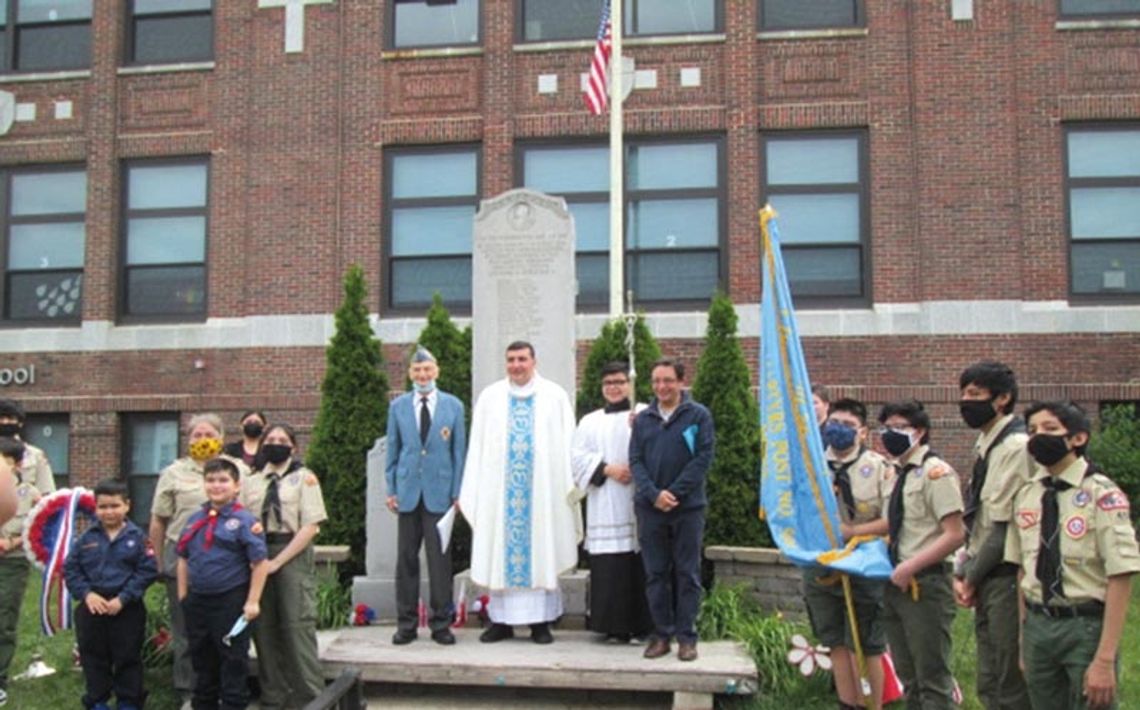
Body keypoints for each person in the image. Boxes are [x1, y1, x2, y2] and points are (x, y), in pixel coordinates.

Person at [1005, 401, 1139, 710]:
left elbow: (1120, 574)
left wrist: (1104, 659)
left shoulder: (1102, 495)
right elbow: (1024, 570)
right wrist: (1025, 641)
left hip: (1085, 625)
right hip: (1039, 624)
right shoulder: (1027, 494)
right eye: (1033, 431)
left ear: (1078, 438)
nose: (1039, 437)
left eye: (1050, 429)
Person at [459, 341, 579, 644]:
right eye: (511, 359)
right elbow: (479, 448)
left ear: (533, 361)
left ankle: (541, 623)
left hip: (541, 494)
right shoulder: (490, 398)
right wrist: (474, 488)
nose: (516, 365)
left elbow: (567, 446)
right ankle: (501, 622)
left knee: (541, 547)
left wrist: (567, 484)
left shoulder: (554, 396)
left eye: (522, 359)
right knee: (501, 550)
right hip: (500, 495)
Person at [149, 413, 246, 704]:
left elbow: (250, 515)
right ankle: (190, 692)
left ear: (221, 437)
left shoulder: (239, 470)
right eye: (196, 435)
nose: (202, 441)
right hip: (184, 561)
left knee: (227, 633)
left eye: (208, 435)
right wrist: (157, 560)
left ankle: (226, 691)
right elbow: (158, 520)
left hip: (229, 562)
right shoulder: (173, 473)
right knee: (188, 631)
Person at [953, 362, 1032, 710]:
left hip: (1003, 574)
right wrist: (964, 569)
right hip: (982, 572)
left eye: (974, 394)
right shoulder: (987, 443)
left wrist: (969, 578)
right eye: (963, 393)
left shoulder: (1016, 446)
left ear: (1002, 399)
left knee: (1008, 675)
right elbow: (978, 518)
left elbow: (1002, 527)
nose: (965, 401)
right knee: (987, 676)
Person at [806, 397, 893, 710]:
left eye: (848, 426)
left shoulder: (879, 467)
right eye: (834, 423)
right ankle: (848, 703)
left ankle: (872, 703)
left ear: (863, 432)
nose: (839, 430)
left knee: (868, 641)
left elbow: (892, 518)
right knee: (835, 640)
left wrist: (854, 533)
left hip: (865, 564)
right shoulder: (811, 466)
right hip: (822, 563)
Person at [877, 400, 965, 710]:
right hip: (895, 581)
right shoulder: (895, 473)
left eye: (900, 427)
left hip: (925, 583)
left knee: (932, 677)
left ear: (921, 431)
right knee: (908, 676)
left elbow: (955, 533)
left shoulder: (935, 473)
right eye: (886, 428)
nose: (891, 434)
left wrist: (911, 566)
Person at [629, 359, 714, 662]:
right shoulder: (643, 419)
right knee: (655, 573)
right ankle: (661, 634)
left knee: (687, 572)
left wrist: (674, 493)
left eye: (667, 380)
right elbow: (635, 460)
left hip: (687, 508)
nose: (661, 387)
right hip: (650, 509)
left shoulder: (698, 416)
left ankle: (686, 637)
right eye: (656, 381)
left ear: (681, 382)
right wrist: (653, 495)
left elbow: (703, 458)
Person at [240, 424, 327, 707]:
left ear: (293, 447)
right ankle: (273, 697)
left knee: (296, 626)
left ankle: (310, 698)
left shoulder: (304, 479)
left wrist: (278, 561)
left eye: (282, 440)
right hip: (257, 553)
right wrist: (260, 560)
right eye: (271, 439)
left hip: (291, 553)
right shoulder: (251, 481)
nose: (276, 443)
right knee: (263, 628)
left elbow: (311, 527)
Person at [386, 347, 467, 646]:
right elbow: (393, 451)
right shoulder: (397, 407)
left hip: (440, 493)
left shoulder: (453, 406)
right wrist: (391, 488)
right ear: (410, 373)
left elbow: (459, 452)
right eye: (417, 371)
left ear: (437, 371)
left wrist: (458, 492)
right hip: (408, 493)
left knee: (439, 562)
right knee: (406, 560)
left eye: (427, 370)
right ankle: (406, 624)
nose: (422, 375)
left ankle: (441, 623)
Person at [177, 458, 268, 710]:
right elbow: (183, 557)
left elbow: (260, 563)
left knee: (232, 661)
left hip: (230, 600)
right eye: (211, 480)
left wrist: (252, 601)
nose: (216, 486)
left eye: (223, 480)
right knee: (202, 660)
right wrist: (184, 595)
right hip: (198, 600)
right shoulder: (195, 519)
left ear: (237, 486)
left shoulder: (244, 521)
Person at [571, 361, 652, 643]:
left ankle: (644, 626)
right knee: (610, 566)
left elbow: (660, 445)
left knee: (639, 562)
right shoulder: (590, 420)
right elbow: (577, 457)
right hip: (605, 500)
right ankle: (613, 626)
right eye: (608, 383)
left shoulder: (643, 413)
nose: (614, 387)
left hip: (637, 499)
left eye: (619, 382)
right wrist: (607, 469)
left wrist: (636, 467)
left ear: (629, 384)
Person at [64, 479, 159, 710]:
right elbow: (71, 569)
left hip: (126, 607)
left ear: (127, 505)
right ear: (95, 508)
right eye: (103, 507)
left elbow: (146, 571)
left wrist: (123, 598)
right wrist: (86, 595)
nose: (109, 512)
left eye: (115, 506)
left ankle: (129, 700)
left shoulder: (138, 538)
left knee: (127, 655)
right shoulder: (86, 539)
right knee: (93, 655)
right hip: (92, 606)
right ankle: (98, 699)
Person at [0, 437, 48, 707]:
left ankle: (0, 680)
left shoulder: (31, 493)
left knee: (4, 618)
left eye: (7, 459)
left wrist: (13, 542)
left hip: (14, 559)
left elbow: (37, 525)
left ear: (18, 464)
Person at [0, 398, 56, 495]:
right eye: (1, 418)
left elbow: (47, 493)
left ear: (20, 423)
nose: (5, 422)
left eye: (10, 418)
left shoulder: (36, 455)